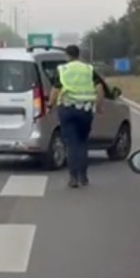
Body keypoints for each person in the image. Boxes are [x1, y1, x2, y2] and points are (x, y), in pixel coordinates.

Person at [48, 44, 106, 188]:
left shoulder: (63, 70)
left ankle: (73, 178)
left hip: (67, 110)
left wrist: (50, 105)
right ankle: (83, 176)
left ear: (67, 56)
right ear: (79, 55)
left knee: (72, 144)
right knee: (82, 142)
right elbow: (100, 88)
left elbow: (55, 90)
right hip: (85, 111)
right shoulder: (88, 69)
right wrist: (98, 106)